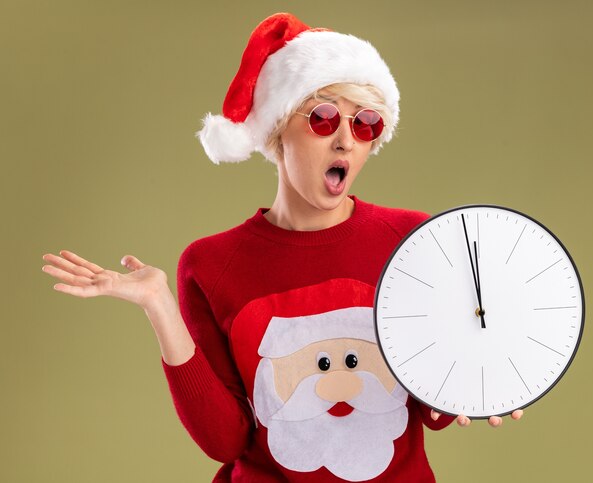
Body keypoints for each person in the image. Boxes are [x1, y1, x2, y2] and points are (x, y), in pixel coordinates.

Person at [42, 12, 523, 482]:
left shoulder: (415, 241)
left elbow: (431, 409)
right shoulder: (210, 265)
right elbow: (225, 442)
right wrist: (159, 306)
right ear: (277, 128)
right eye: (324, 117)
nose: (344, 141)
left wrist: (477, 383)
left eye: (365, 124)